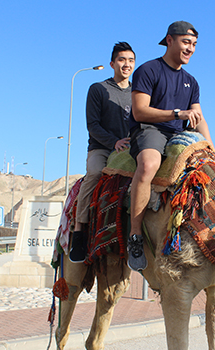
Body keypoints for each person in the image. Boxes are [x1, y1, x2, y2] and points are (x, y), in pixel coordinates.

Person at [127, 21, 215, 270]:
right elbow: (140, 111)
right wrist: (177, 114)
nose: (191, 49)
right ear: (169, 40)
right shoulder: (148, 70)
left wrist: (211, 149)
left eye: (195, 44)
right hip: (151, 130)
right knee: (148, 165)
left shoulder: (192, 82)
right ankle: (135, 235)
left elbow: (199, 118)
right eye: (186, 42)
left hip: (180, 135)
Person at [69, 42, 136, 263]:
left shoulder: (138, 93)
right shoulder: (98, 89)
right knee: (96, 173)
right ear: (112, 63)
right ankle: (79, 230)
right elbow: (93, 125)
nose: (126, 65)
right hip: (101, 147)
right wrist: (114, 141)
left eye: (130, 61)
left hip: (128, 150)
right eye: (122, 60)